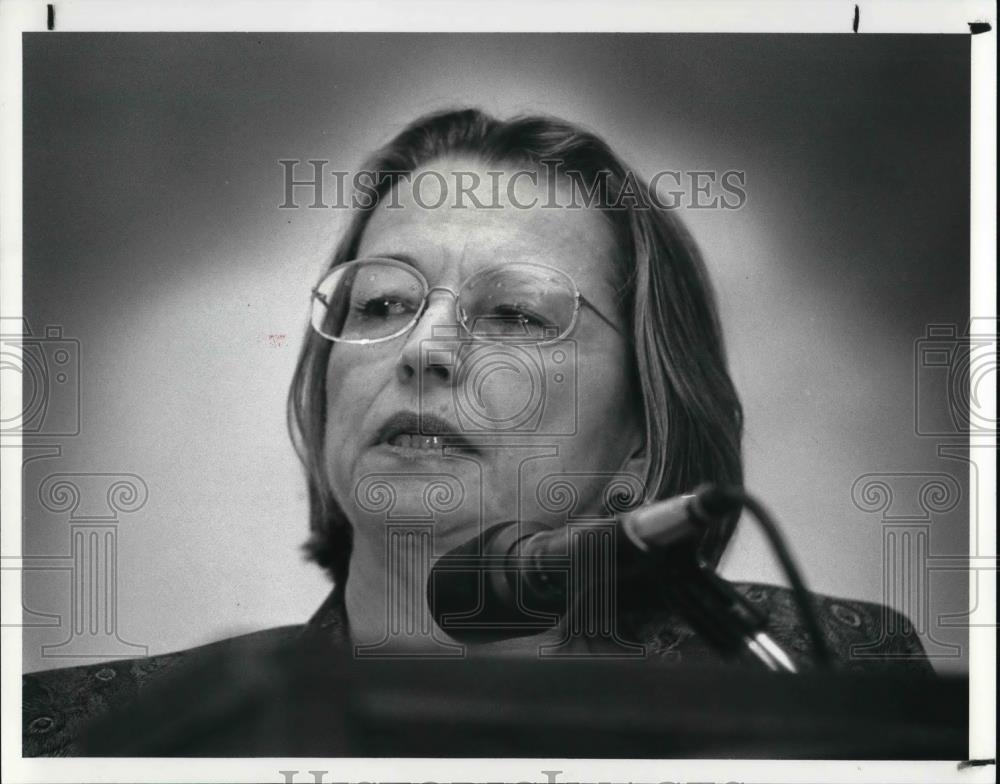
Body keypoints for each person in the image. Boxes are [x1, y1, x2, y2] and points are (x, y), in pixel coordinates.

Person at [23, 109, 931, 756]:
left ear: (642, 443)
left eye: (518, 316)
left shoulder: (829, 670)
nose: (426, 349)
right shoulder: (90, 737)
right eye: (381, 302)